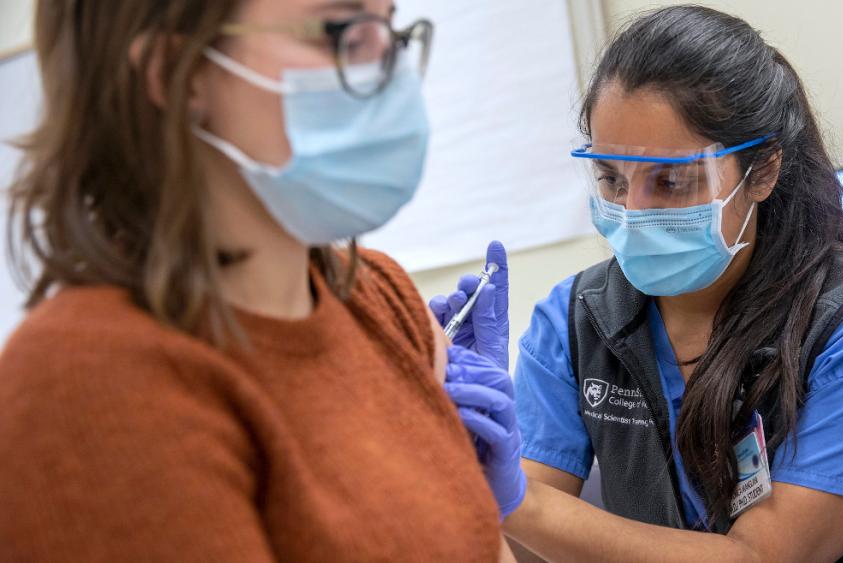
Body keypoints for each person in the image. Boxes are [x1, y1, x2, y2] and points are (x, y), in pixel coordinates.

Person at [0, 0, 515, 560]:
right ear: (177, 75)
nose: (388, 68)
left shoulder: (376, 294)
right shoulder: (84, 387)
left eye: (389, 27)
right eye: (340, 29)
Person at [435, 6, 843, 562]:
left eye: (672, 181)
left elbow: (761, 558)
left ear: (763, 172)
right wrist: (459, 452)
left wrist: (513, 500)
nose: (632, 211)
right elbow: (525, 542)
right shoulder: (574, 321)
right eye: (611, 178)